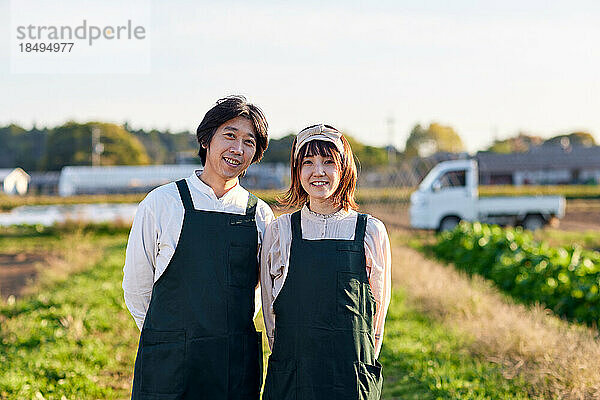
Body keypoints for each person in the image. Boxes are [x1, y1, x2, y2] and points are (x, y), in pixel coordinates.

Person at [123, 95, 274, 399]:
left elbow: (259, 294)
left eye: (249, 141)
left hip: (233, 362)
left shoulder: (260, 215)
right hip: (169, 363)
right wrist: (168, 338)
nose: (237, 149)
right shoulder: (162, 203)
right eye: (229, 135)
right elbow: (137, 287)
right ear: (206, 139)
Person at [260, 124, 391, 400]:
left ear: (344, 170)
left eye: (328, 162)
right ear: (297, 172)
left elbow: (376, 320)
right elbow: (270, 313)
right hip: (294, 377)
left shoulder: (370, 232)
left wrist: (359, 364)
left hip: (351, 378)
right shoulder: (280, 231)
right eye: (307, 162)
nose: (317, 171)